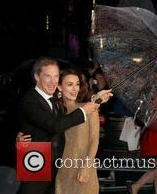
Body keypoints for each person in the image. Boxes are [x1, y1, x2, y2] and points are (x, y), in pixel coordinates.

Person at [16, 57, 112, 194]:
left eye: (55, 76)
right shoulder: (31, 101)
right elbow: (55, 125)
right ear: (37, 77)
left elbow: (91, 136)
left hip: (62, 166)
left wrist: (97, 99)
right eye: (47, 76)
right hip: (38, 162)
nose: (52, 80)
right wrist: (19, 140)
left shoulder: (55, 103)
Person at [54, 68, 99, 194]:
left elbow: (94, 140)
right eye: (70, 84)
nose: (75, 89)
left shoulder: (88, 109)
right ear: (59, 87)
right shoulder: (56, 112)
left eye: (77, 84)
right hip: (62, 169)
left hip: (83, 167)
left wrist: (87, 166)